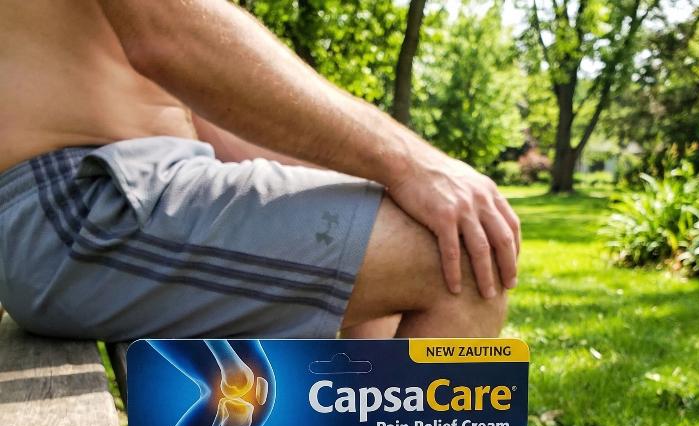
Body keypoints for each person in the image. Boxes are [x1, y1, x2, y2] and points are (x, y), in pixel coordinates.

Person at [0, 0, 519, 342]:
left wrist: (375, 184)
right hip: (81, 203)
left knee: (394, 249)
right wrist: (410, 161)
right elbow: (172, 37)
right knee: (459, 258)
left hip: (121, 193)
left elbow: (208, 114)